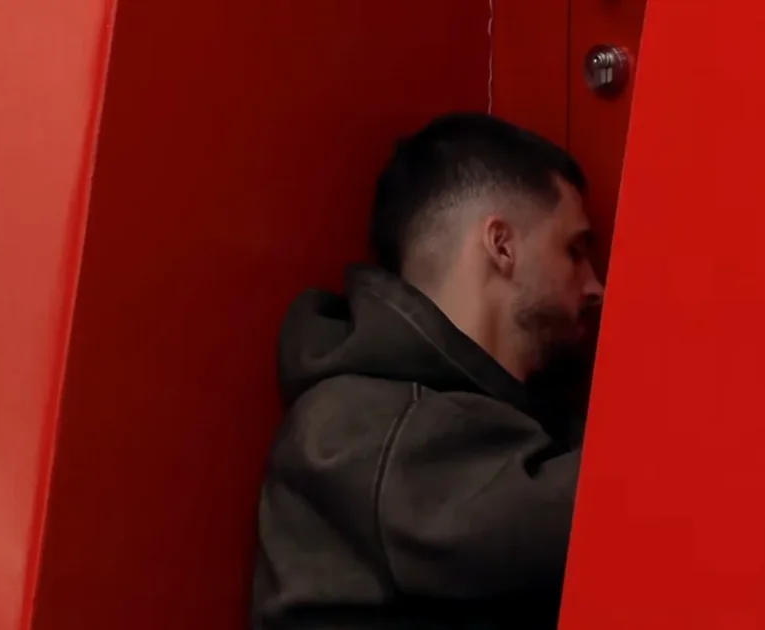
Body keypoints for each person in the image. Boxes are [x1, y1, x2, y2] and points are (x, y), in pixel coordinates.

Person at [252, 112, 605, 630]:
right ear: (501, 246)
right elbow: (605, 507)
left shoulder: (471, 419)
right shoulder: (358, 426)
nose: (595, 286)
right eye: (573, 250)